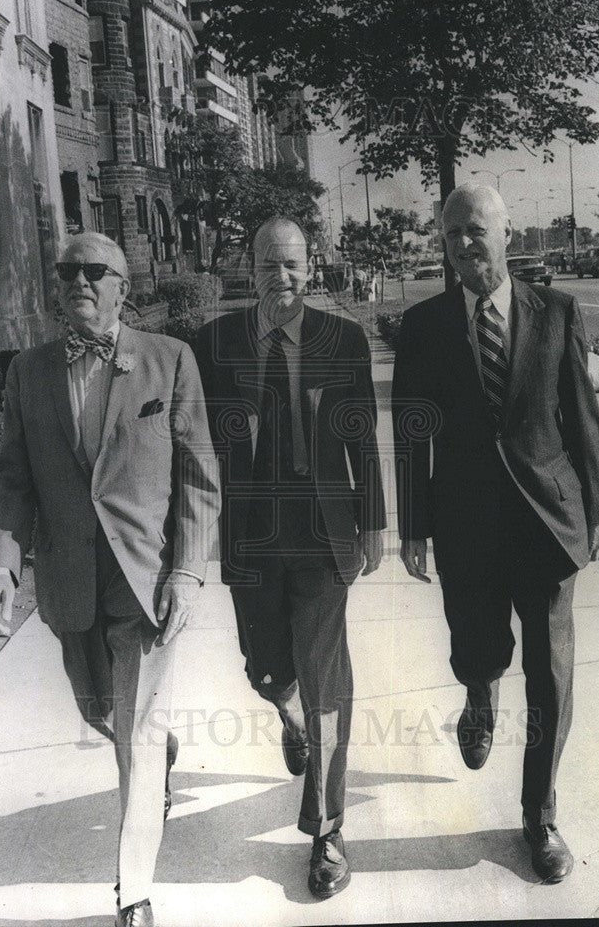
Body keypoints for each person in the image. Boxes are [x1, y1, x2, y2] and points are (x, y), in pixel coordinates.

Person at [0, 232, 221, 927]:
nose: (79, 283)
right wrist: (2, 562)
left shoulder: (169, 361)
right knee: (101, 714)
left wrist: (186, 568)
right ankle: (157, 750)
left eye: (95, 273)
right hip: (68, 581)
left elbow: (199, 477)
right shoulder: (27, 371)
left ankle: (133, 893)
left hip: (145, 580)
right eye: (68, 273)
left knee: (135, 742)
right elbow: (11, 476)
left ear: (123, 288)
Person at [392, 185, 599, 884]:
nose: (462, 244)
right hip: (465, 527)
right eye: (450, 233)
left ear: (505, 233)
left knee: (549, 673)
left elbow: (580, 418)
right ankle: (479, 694)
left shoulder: (557, 313)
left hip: (547, 521)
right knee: (478, 646)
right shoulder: (421, 326)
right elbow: (410, 436)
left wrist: (597, 511)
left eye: (474, 230)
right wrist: (414, 528)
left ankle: (537, 815)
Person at [195, 217, 385, 900]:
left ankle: (326, 830)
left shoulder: (343, 340)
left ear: (313, 267)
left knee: (326, 675)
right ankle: (289, 711)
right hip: (250, 537)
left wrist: (375, 524)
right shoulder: (214, 344)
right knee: (266, 670)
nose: (284, 276)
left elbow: (362, 438)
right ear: (250, 268)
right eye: (270, 264)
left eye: (294, 264)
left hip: (323, 532)